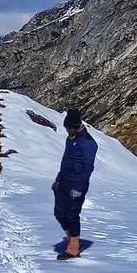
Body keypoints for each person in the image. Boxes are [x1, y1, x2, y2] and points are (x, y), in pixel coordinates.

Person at [51, 107, 97, 260]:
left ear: (79, 126)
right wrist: (58, 179)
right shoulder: (70, 140)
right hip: (63, 182)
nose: (70, 131)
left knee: (72, 214)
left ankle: (74, 248)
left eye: (73, 128)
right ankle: (72, 239)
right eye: (68, 128)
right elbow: (65, 161)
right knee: (59, 213)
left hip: (77, 185)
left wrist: (78, 188)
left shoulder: (88, 143)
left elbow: (87, 169)